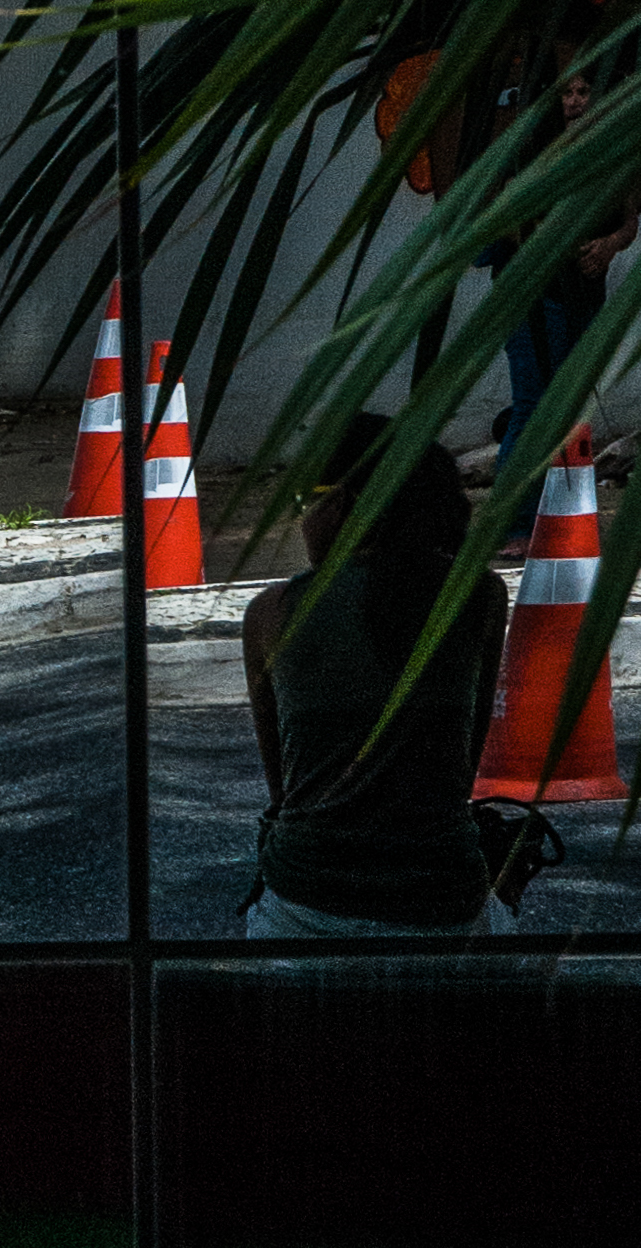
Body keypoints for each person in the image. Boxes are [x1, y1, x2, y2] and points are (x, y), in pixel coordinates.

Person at [242, 414, 511, 939]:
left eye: (304, 502)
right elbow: (461, 771)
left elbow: (286, 792)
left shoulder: (272, 615)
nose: (301, 521)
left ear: (341, 502)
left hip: (307, 905)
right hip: (444, 900)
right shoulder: (479, 598)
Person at [490, 63, 637, 553]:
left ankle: (564, 523)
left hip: (582, 291)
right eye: (567, 92)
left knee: (569, 406)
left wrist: (609, 244)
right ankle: (514, 526)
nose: (575, 101)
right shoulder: (533, 155)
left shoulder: (616, 151)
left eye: (584, 91)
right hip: (533, 293)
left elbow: (628, 222)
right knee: (533, 405)